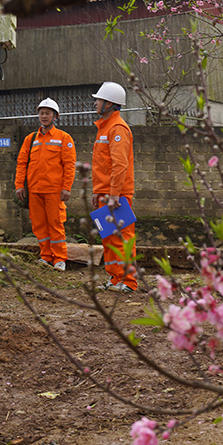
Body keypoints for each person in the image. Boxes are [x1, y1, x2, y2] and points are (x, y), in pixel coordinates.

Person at [15, 98, 77, 271]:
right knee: (39, 225)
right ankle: (46, 256)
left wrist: (66, 188)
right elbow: (21, 163)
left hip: (54, 191)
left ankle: (59, 259)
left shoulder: (64, 138)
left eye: (48, 113)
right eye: (41, 113)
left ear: (55, 116)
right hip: (34, 191)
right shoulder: (30, 139)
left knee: (56, 225)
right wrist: (19, 185)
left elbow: (69, 165)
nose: (44, 116)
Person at [91, 82, 137, 292]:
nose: (96, 103)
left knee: (122, 239)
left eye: (99, 100)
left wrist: (113, 194)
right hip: (106, 194)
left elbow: (120, 165)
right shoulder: (105, 128)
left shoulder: (117, 129)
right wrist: (98, 192)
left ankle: (128, 281)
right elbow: (103, 165)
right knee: (109, 239)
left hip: (117, 196)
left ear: (109, 103)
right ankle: (115, 278)